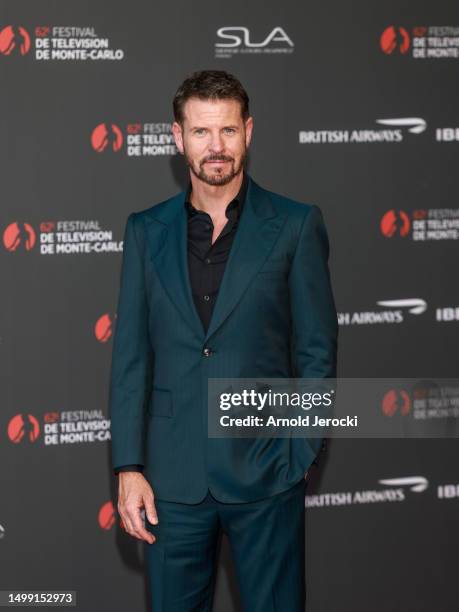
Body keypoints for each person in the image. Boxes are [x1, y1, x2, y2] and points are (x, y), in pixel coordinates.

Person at [108, 69, 338, 611]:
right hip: (171, 483)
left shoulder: (296, 225)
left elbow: (317, 350)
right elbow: (130, 358)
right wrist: (128, 466)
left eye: (228, 131)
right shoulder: (145, 231)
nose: (216, 147)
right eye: (202, 132)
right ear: (177, 137)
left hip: (266, 475)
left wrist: (299, 455)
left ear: (249, 131)